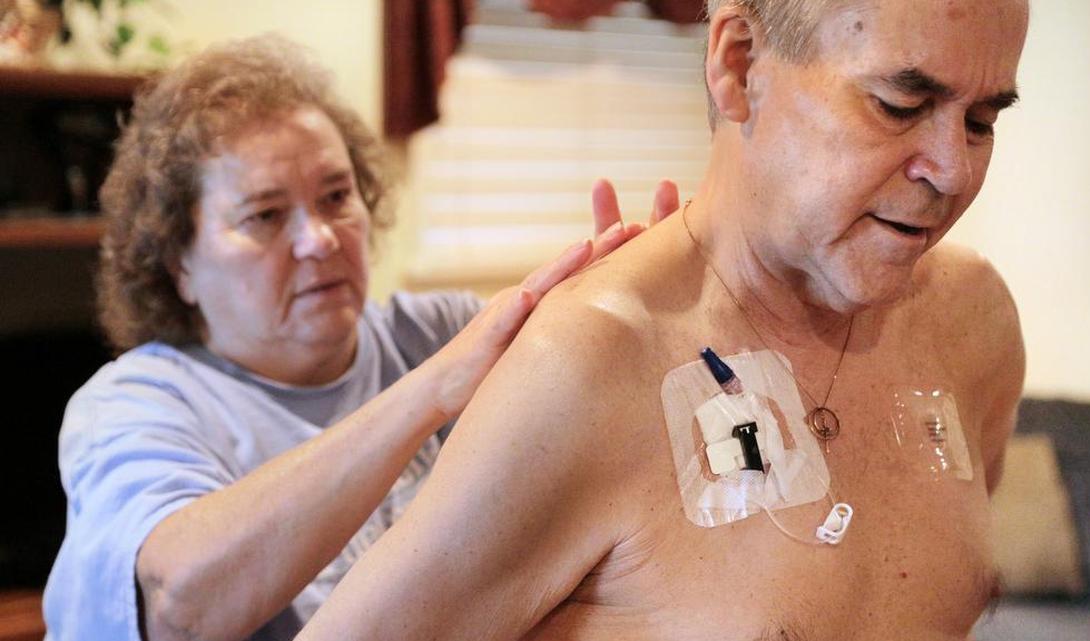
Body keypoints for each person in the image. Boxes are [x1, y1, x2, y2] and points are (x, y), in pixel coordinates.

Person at [298, 0, 1029, 639]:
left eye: (982, 121)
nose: (951, 170)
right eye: (899, 107)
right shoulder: (591, 362)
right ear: (739, 67)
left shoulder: (972, 321)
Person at [41, 35, 678, 641]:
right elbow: (181, 606)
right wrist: (429, 393)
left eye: (336, 195)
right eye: (264, 215)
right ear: (177, 260)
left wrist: (642, 314)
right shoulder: (132, 403)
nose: (320, 239)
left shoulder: (431, 331)